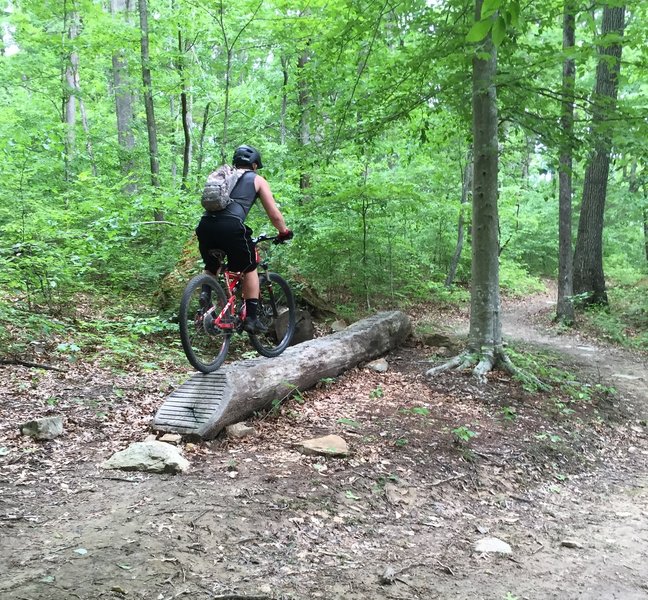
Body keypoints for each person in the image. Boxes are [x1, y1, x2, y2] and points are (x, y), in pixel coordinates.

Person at [196, 145, 293, 333]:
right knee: (249, 267)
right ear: (255, 165)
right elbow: (274, 215)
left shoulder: (223, 177)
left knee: (211, 267)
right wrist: (283, 231)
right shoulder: (257, 179)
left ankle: (205, 298)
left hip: (205, 225)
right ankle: (251, 319)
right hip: (232, 227)